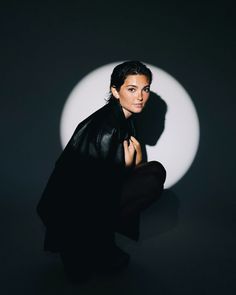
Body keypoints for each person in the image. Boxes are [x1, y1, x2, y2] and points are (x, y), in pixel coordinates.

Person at [37, 60, 166, 283]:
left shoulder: (122, 118)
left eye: (145, 89)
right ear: (115, 91)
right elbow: (86, 188)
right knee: (152, 176)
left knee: (152, 173)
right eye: (131, 89)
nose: (140, 97)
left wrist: (129, 166)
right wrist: (125, 168)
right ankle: (82, 249)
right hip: (71, 211)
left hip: (88, 201)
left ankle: (99, 244)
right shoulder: (106, 127)